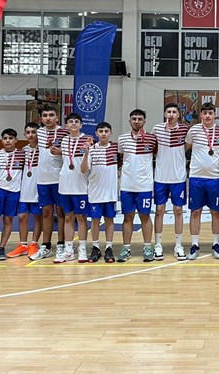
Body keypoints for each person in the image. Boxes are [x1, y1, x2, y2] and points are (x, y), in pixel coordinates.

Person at [185, 102, 219, 260]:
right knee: (195, 211)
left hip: (215, 178)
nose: (208, 116)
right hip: (196, 177)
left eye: (210, 113)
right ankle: (194, 245)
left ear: (215, 115)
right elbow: (185, 149)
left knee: (216, 212)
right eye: (205, 113)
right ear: (201, 115)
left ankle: (216, 244)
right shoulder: (193, 130)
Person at [29, 105, 69, 261]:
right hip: (42, 179)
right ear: (41, 118)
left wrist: (61, 153)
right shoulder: (39, 132)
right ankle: (46, 246)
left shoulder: (64, 132)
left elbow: (72, 153)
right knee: (46, 213)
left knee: (61, 213)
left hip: (59, 178)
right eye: (45, 115)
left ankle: (61, 244)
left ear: (57, 117)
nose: (48, 118)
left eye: (51, 115)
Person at [117, 109, 157, 262]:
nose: (136, 121)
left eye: (140, 119)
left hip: (144, 185)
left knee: (145, 216)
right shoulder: (122, 139)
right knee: (128, 217)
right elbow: (121, 158)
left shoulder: (152, 139)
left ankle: (147, 247)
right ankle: (126, 248)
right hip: (127, 185)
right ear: (129, 121)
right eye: (134, 118)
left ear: (144, 122)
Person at [152, 103, 190, 261]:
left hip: (178, 177)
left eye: (174, 112)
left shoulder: (185, 130)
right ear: (164, 114)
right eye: (169, 111)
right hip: (160, 177)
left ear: (178, 115)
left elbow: (186, 147)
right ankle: (158, 245)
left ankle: (178, 245)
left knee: (178, 210)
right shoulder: (157, 129)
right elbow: (153, 148)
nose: (171, 114)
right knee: (159, 210)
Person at [54, 113, 91, 264]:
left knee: (81, 217)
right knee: (68, 217)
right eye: (71, 121)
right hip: (65, 185)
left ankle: (82, 249)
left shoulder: (88, 140)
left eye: (77, 121)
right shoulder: (64, 141)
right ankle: (68, 250)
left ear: (81, 125)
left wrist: (87, 152)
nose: (74, 123)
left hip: (81, 186)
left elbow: (85, 168)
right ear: (66, 125)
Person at [0, 128, 24, 262]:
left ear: (16, 140)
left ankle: (1, 248)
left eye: (11, 138)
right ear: (1, 140)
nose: (8, 141)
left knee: (8, 220)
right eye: (5, 138)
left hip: (14, 192)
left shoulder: (22, 155)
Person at [81, 122, 119, 263]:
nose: (103, 133)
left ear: (111, 133)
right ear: (96, 133)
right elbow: (83, 170)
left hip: (110, 193)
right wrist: (86, 153)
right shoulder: (91, 149)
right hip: (95, 192)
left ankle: (109, 248)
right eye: (101, 131)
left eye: (106, 131)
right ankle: (96, 247)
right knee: (95, 221)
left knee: (109, 220)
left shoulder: (116, 148)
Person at [7, 122, 43, 259]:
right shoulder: (23, 151)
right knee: (22, 217)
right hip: (25, 189)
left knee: (38, 217)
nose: (31, 135)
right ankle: (23, 245)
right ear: (24, 134)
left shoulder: (43, 150)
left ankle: (34, 244)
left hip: (38, 189)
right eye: (28, 132)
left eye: (33, 132)